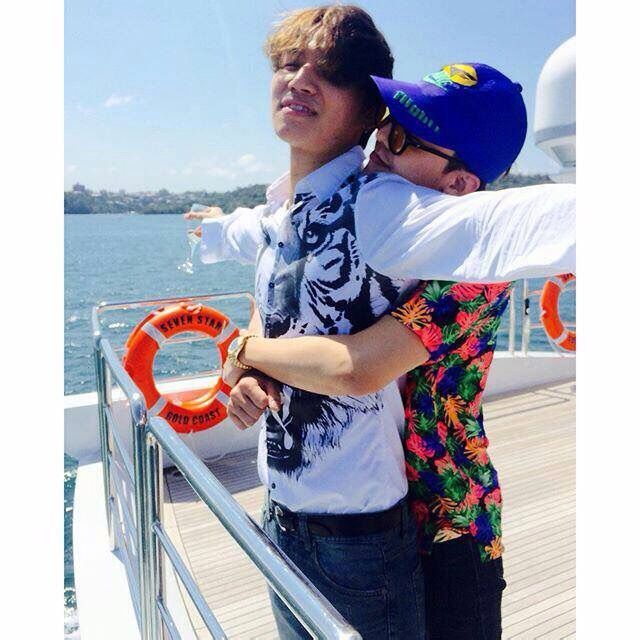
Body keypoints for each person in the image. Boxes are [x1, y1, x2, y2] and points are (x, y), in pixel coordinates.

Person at [187, 6, 575, 639]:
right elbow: (283, 268)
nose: (378, 149)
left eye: (397, 140)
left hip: (446, 518)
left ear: (459, 184)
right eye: (386, 126)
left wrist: (245, 351)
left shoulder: (465, 274)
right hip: (363, 505)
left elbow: (358, 367)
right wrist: (253, 362)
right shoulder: (328, 209)